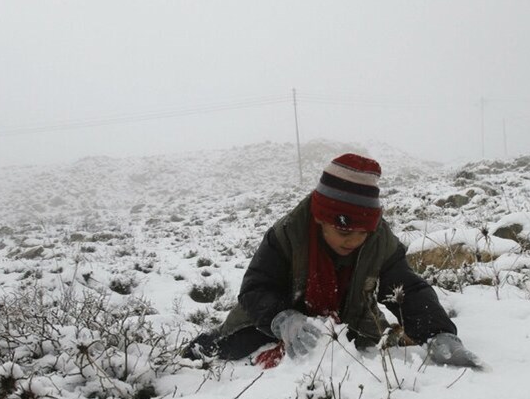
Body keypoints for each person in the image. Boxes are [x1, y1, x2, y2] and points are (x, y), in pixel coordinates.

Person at [184, 153, 482, 369]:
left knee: (366, 351)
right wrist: (284, 320)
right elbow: (255, 288)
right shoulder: (287, 233)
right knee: (232, 346)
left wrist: (439, 334)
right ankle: (198, 348)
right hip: (270, 320)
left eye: (363, 232)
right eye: (342, 229)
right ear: (319, 217)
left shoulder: (380, 241)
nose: (353, 240)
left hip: (349, 322)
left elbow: (409, 289)